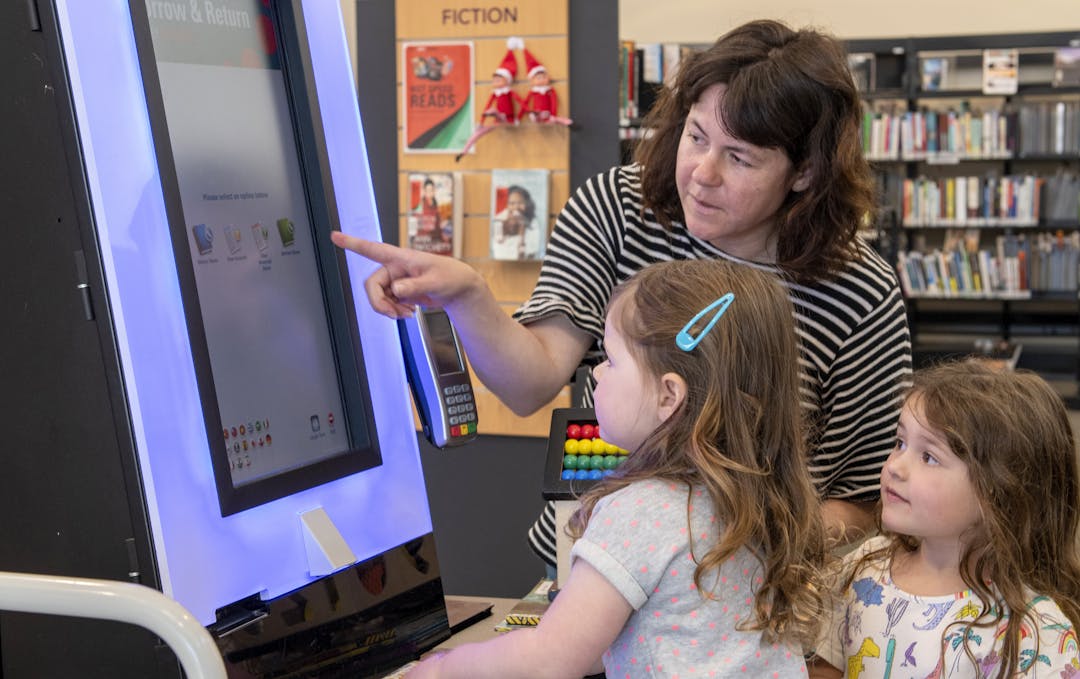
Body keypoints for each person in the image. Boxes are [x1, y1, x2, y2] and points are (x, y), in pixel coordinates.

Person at [332, 18, 911, 572]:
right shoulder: (617, 207)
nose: (701, 173)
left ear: (805, 172)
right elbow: (531, 382)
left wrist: (723, 544)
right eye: (696, 136)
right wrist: (470, 297)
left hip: (753, 590)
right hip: (593, 557)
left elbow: (865, 502)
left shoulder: (860, 291)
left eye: (738, 158)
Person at [404, 259, 828, 678]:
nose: (597, 372)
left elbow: (548, 661)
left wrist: (445, 670)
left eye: (610, 359)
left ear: (669, 396)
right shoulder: (762, 503)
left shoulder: (642, 512)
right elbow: (607, 644)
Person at [808, 360, 1080, 678]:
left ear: (998, 494)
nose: (895, 466)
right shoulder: (865, 568)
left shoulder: (1036, 634)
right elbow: (824, 666)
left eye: (929, 457)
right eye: (900, 443)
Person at [491, 185, 540, 260]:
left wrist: (521, 234)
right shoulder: (499, 221)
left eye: (521, 203)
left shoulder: (533, 226)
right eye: (512, 203)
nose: (516, 207)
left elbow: (530, 256)